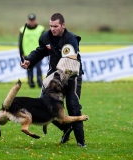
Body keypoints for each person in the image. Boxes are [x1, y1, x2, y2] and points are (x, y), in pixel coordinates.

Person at [21, 13, 86, 147]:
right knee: (43, 106)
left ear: (63, 25)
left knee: (73, 106)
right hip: (54, 75)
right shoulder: (46, 37)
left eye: (55, 26)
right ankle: (66, 128)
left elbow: (71, 59)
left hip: (72, 75)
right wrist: (29, 61)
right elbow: (40, 52)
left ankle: (81, 142)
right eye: (51, 26)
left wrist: (63, 72)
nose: (53, 29)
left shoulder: (71, 39)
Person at [19, 13, 45, 88]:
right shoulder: (22, 29)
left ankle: (40, 82)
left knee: (38, 69)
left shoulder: (41, 29)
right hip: (27, 53)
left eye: (33, 20)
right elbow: (20, 42)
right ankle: (31, 83)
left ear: (35, 20)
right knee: (29, 69)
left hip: (38, 53)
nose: (32, 22)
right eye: (30, 20)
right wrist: (22, 52)